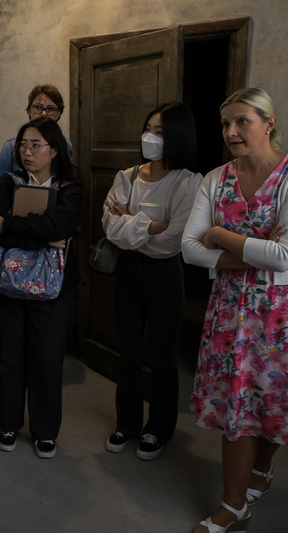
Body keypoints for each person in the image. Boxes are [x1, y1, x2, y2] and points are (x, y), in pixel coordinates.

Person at [182, 88, 288, 533]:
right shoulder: (215, 178)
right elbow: (189, 249)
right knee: (238, 407)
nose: (231, 132)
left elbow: (286, 256)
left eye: (242, 121)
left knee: (274, 401)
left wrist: (221, 236)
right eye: (226, 123)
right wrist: (257, 252)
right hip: (231, 310)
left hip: (287, 310)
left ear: (269, 122)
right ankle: (234, 506)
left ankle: (259, 473)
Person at [101, 102, 202, 461]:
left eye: (160, 131)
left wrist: (132, 220)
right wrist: (150, 225)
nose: (150, 136)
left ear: (176, 136)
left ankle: (158, 429)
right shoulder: (126, 176)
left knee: (162, 357)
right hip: (128, 271)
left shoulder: (189, 182)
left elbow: (175, 238)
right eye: (148, 128)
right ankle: (126, 423)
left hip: (165, 274)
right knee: (128, 352)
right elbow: (110, 229)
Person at [0, 116, 84, 458]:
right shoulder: (8, 183)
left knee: (46, 359)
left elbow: (58, 224)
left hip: (53, 290)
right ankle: (9, 424)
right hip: (7, 287)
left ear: (54, 150)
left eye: (35, 145)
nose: (27, 151)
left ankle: (44, 431)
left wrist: (11, 226)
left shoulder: (70, 189)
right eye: (23, 145)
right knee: (8, 357)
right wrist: (43, 236)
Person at [0, 84, 75, 180]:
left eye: (50, 109)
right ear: (29, 110)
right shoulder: (10, 147)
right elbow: (1, 188)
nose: (43, 113)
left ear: (58, 114)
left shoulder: (65, 145)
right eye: (38, 107)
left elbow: (68, 180)